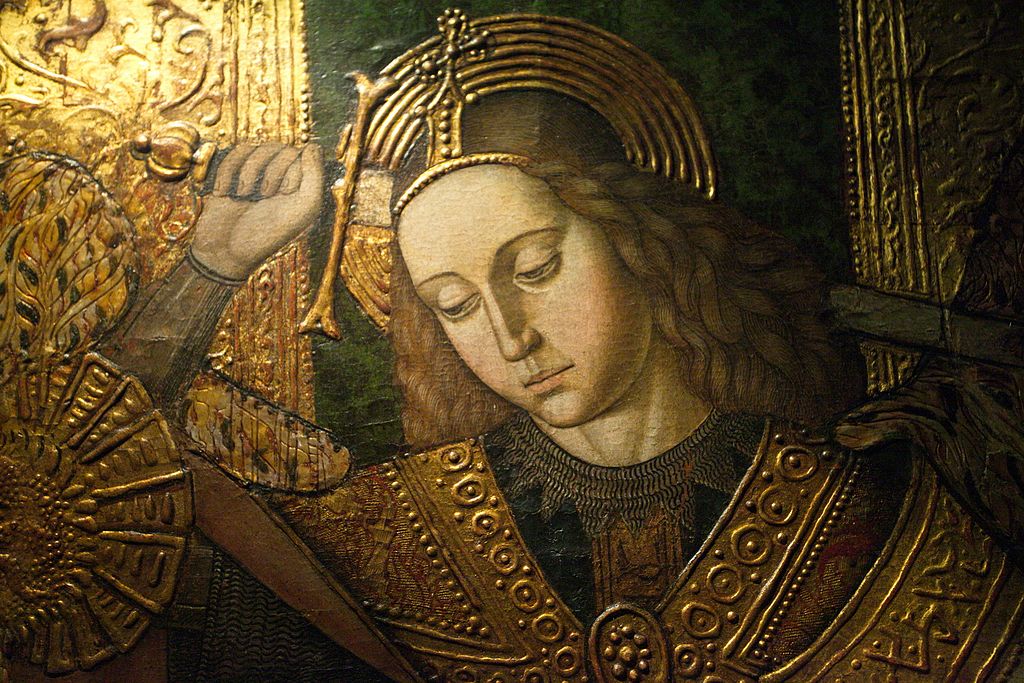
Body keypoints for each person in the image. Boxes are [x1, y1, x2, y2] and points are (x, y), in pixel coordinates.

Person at [44, 12, 1024, 682]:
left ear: (645, 246)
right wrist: (209, 265)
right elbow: (75, 524)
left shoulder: (865, 511)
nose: (510, 337)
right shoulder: (395, 534)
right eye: (455, 304)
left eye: (537, 265)